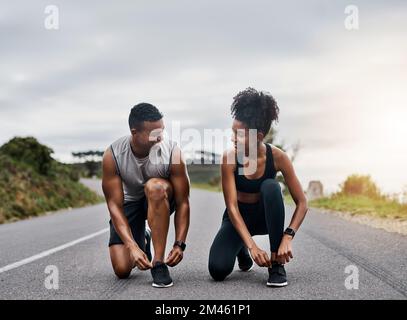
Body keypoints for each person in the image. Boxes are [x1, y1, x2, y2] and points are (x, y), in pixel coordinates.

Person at [208, 88, 308, 287]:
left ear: (258, 136)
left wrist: (288, 236)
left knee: (272, 187)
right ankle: (242, 249)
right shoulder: (229, 158)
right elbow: (232, 207)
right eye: (232, 132)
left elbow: (302, 203)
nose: (233, 138)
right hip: (238, 218)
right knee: (217, 270)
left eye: (239, 135)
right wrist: (252, 247)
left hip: (265, 217)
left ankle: (277, 264)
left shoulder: (278, 157)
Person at [102, 103, 190, 288]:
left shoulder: (173, 152)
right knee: (122, 269)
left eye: (162, 130)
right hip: (131, 202)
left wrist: (179, 244)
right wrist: (132, 246)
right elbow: (114, 206)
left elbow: (183, 202)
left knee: (155, 187)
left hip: (160, 198)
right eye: (154, 133)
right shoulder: (113, 155)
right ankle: (144, 238)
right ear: (135, 133)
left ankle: (158, 263)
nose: (160, 137)